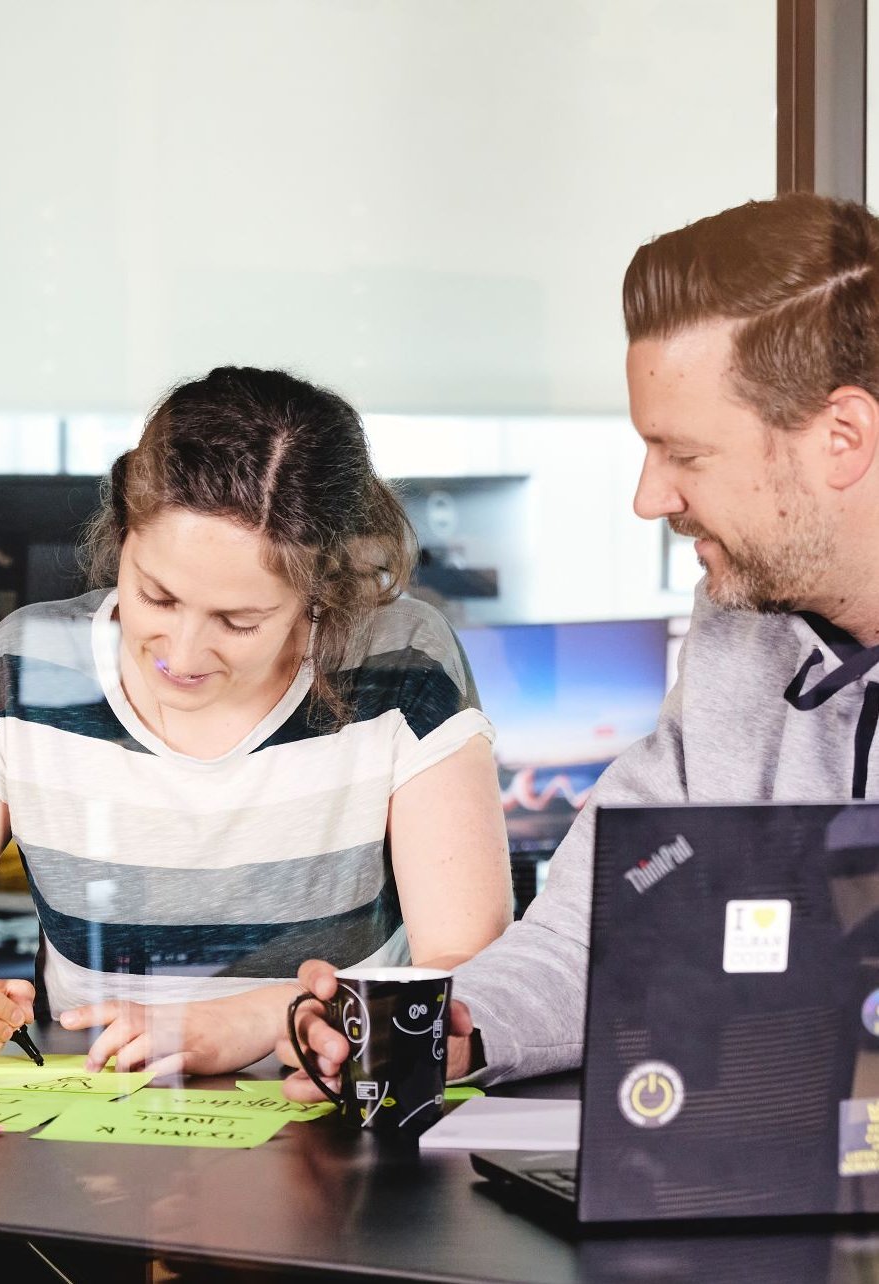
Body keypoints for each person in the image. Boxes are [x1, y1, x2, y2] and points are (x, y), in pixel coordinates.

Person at [282, 191, 879, 1097]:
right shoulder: (741, 640)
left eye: (686, 454)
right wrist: (453, 1030)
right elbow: (596, 930)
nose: (650, 497)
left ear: (842, 439)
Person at [0, 365, 512, 1074]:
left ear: (325, 589)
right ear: (122, 533)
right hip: (97, 1141)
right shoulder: (24, 674)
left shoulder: (402, 662)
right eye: (156, 595)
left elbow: (474, 986)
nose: (182, 653)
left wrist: (264, 1021)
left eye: (238, 621)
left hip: (337, 1138)